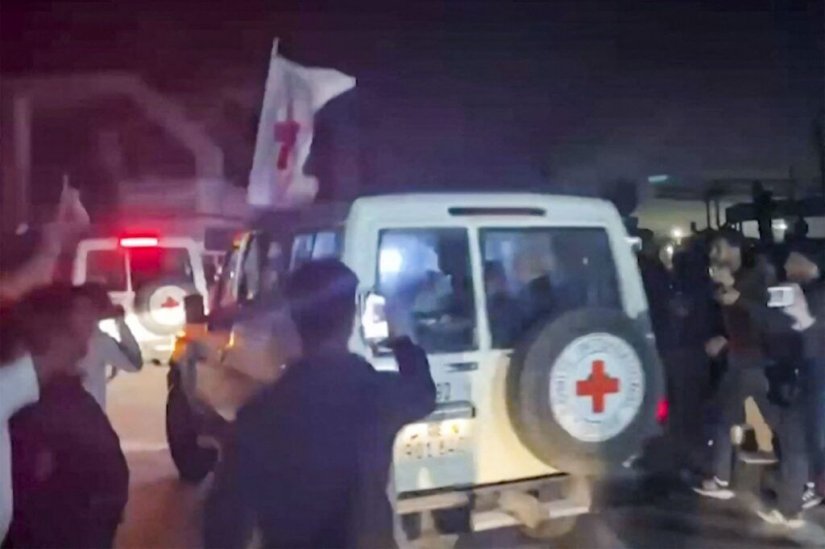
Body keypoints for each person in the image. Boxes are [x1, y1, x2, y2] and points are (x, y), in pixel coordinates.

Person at [226, 259, 436, 549]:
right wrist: (400, 337)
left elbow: (226, 522)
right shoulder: (376, 394)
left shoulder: (258, 414)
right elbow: (423, 392)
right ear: (351, 320)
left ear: (293, 321)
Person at [5, 285, 129, 549]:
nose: (89, 326)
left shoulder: (60, 394)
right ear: (54, 336)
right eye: (81, 315)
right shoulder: (33, 407)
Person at [694, 229, 778, 500]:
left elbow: (766, 319)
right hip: (740, 359)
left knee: (731, 417)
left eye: (718, 248)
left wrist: (735, 292)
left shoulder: (757, 277)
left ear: (734, 248)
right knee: (731, 417)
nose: (713, 255)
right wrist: (725, 338)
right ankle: (727, 477)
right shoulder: (729, 281)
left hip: (755, 360)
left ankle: (724, 478)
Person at [72, 283, 142, 410]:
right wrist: (120, 322)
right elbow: (134, 363)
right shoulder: (100, 341)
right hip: (90, 414)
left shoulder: (56, 337)